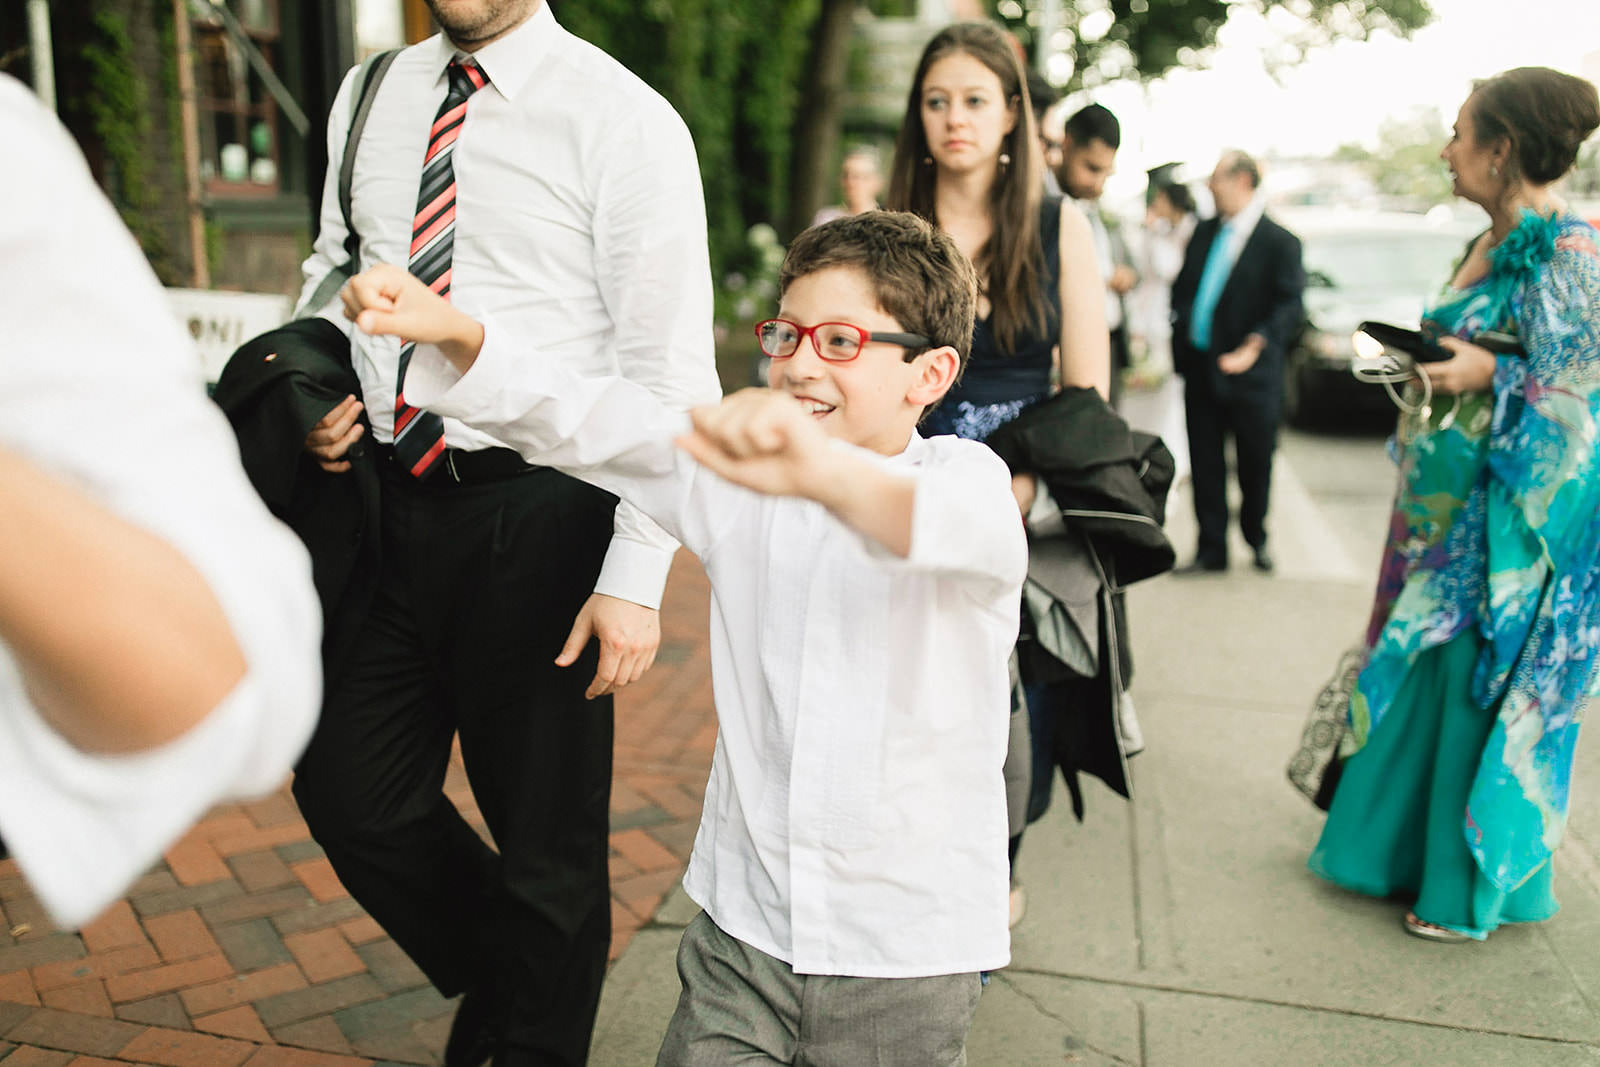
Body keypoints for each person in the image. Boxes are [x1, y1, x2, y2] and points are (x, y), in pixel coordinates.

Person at [339, 210, 1025, 1066]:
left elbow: (946, 529)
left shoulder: (966, 482)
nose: (800, 361)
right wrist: (454, 330)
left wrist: (807, 466)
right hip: (744, 931)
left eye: (841, 341)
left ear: (931, 372)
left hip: (905, 954)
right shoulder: (741, 484)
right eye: (789, 334)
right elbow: (594, 418)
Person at [288, 1, 721, 1062]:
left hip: (544, 516)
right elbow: (330, 266)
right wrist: (310, 378)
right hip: (385, 505)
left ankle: (528, 1024)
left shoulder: (625, 120)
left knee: (545, 849)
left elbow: (668, 375)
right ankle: (525, 969)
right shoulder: (371, 92)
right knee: (350, 790)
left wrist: (633, 573)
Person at [0, 75, 321, 930]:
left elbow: (239, 672)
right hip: (356, 465)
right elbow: (334, 266)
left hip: (521, 498)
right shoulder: (371, 95)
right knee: (367, 805)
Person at [1309, 67, 1600, 943]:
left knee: (1470, 678)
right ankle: (1387, 855)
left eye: (1460, 133)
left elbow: (1578, 396)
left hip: (1506, 525)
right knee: (1416, 671)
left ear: (1502, 149)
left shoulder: (1570, 250)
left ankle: (1458, 887)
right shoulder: (1485, 237)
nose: (1446, 150)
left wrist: (1486, 372)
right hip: (1435, 507)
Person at [884, 20, 1111, 928]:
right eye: (937, 101)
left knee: (1010, 683)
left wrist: (1013, 483)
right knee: (901, 672)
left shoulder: (1060, 225)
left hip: (1016, 489)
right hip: (894, 475)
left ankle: (995, 856)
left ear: (1014, 115)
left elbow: (1085, 393)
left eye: (976, 100)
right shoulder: (889, 229)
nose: (956, 120)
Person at [1169, 150, 1304, 574]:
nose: (1210, 186)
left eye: (1217, 178)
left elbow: (1289, 306)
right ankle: (1211, 548)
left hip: (1253, 374)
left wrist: (1255, 345)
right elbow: (1186, 287)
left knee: (1254, 461)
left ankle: (1255, 535)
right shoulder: (1204, 231)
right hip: (1200, 366)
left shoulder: (1281, 242)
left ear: (1243, 180)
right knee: (1205, 461)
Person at [1056, 104, 1138, 408]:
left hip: (1110, 341)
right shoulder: (1042, 205)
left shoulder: (1090, 205)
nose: (1098, 183)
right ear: (1067, 144)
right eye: (1091, 168)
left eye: (1106, 172)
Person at [810, 145, 884, 226]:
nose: (850, 183)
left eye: (857, 177)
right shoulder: (826, 218)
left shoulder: (885, 222)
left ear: (876, 182)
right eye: (846, 176)